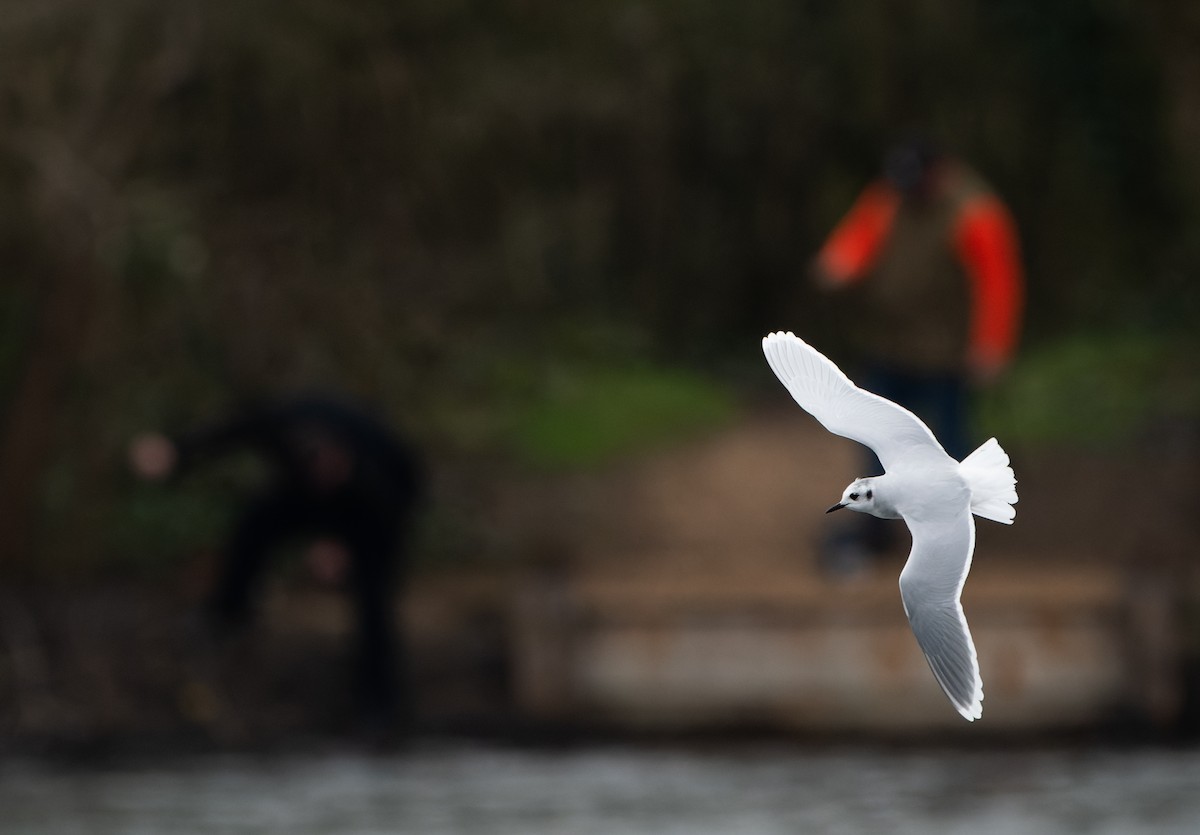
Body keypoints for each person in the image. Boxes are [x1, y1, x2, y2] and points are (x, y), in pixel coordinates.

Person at [129, 392, 426, 732]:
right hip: (301, 498)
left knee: (373, 599)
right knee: (254, 524)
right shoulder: (284, 426)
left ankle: (379, 706)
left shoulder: (374, 447)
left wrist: (343, 547)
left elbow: (406, 492)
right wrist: (176, 452)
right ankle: (229, 611)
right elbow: (231, 432)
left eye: (332, 469)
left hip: (370, 513)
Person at [810, 138, 1024, 572]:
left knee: (950, 449)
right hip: (890, 346)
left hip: (945, 355)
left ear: (939, 172)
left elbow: (997, 283)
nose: (906, 192)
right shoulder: (891, 196)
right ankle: (875, 534)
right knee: (874, 437)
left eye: (915, 182)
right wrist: (839, 264)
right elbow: (860, 237)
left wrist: (991, 346)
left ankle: (956, 536)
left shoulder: (974, 212)